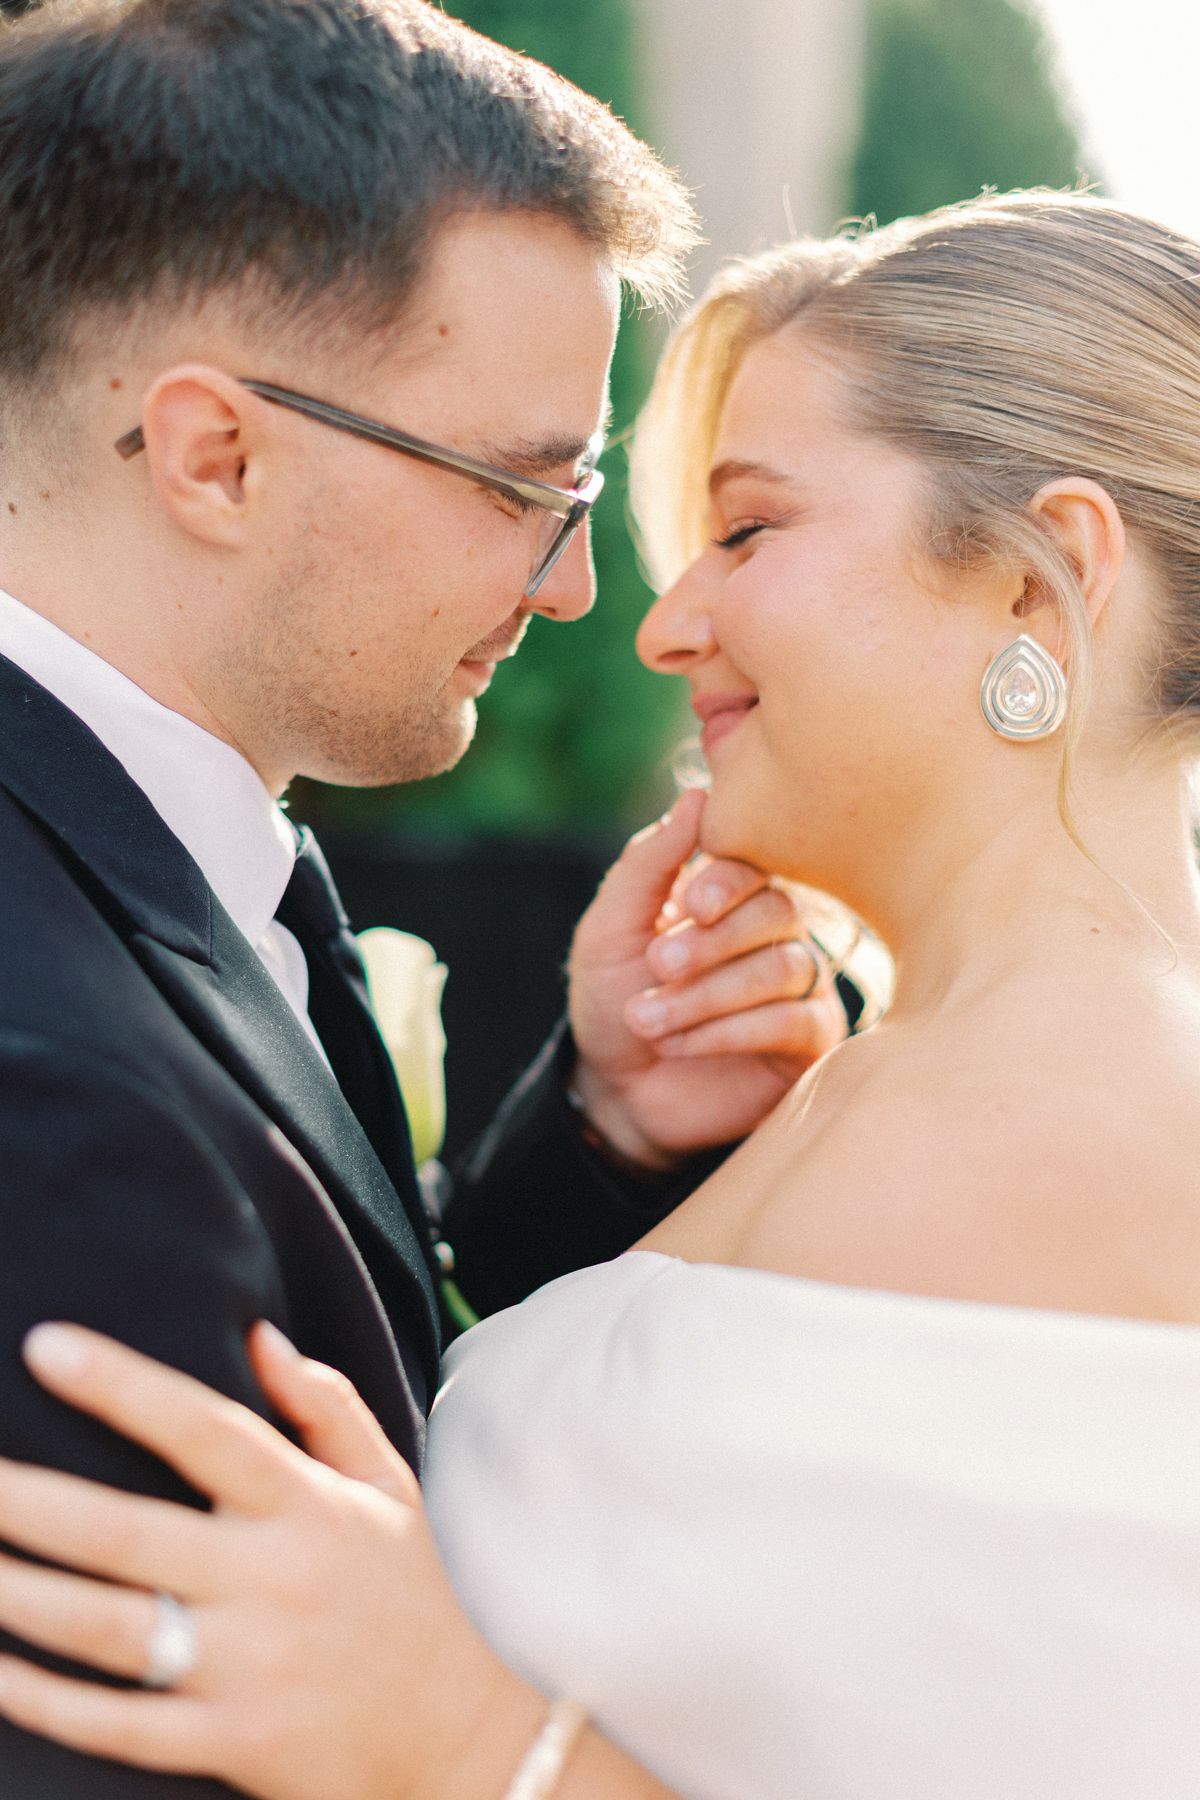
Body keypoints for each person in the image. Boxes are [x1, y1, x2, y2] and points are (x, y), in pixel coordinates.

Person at [3, 186, 1200, 1800]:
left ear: (1036, 574)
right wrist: (612, 1128)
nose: (665, 625)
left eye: (751, 530)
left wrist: (477, 1743)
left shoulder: (1077, 1127)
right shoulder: (908, 1076)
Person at [0, 1, 854, 1794]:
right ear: (213, 454)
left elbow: (343, 1340)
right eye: (529, 488)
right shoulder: (46, 1082)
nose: (568, 598)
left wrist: (597, 1141)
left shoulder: (144, 842)